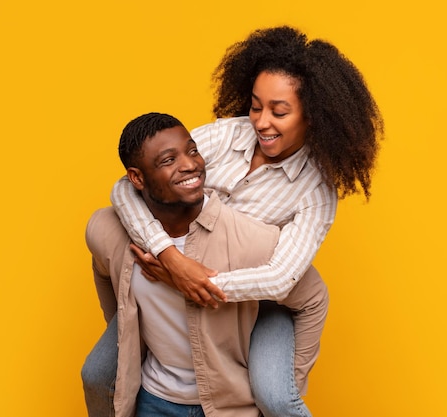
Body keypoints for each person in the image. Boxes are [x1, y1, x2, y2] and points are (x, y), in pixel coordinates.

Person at [110, 26, 384, 416]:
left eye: (279, 111)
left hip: (260, 303)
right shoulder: (226, 136)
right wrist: (170, 257)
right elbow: (126, 188)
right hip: (172, 277)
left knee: (274, 397)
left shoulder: (316, 192)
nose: (261, 122)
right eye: (256, 106)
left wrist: (198, 283)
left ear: (315, 115)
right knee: (101, 371)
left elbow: (280, 277)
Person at [82, 112, 328, 417]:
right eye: (169, 160)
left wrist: (289, 381)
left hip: (229, 404)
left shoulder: (255, 239)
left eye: (193, 151)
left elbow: (307, 293)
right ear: (137, 178)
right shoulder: (107, 228)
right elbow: (104, 260)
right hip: (154, 401)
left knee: (276, 397)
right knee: (94, 373)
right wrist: (126, 323)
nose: (189, 163)